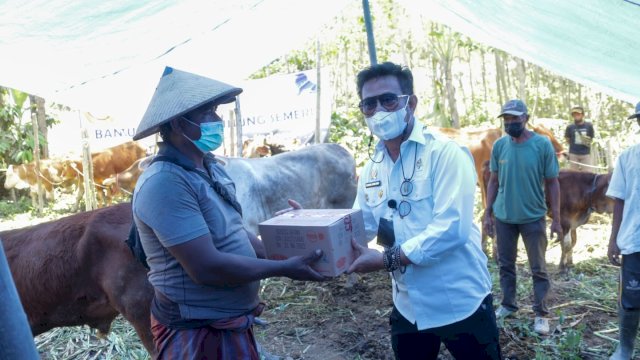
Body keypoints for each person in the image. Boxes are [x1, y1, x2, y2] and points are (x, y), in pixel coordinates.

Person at [131, 66, 326, 359]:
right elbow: (206, 268)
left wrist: (284, 242)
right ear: (176, 124)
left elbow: (234, 231)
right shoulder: (165, 182)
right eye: (206, 114)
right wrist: (284, 268)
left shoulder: (207, 167)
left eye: (216, 112)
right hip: (196, 330)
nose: (217, 120)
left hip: (228, 322)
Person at [347, 62, 501, 359]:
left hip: (459, 300)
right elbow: (361, 225)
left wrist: (386, 259)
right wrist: (319, 228)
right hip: (409, 306)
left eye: (388, 99)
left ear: (410, 103)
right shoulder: (371, 169)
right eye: (369, 104)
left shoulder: (445, 153)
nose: (379, 110)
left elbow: (451, 229)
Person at [482, 99, 562, 336]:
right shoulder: (499, 146)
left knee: (538, 268)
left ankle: (541, 313)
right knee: (505, 265)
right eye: (506, 119)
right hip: (505, 217)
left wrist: (556, 218)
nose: (510, 123)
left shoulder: (542, 145)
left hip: (533, 216)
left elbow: (553, 183)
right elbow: (494, 181)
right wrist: (488, 213)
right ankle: (508, 304)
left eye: (514, 118)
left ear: (526, 118)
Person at [606, 101, 640, 360]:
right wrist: (613, 239)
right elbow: (619, 200)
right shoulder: (628, 157)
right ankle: (625, 348)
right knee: (631, 296)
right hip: (634, 240)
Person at [564, 106, 595, 171]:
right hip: (573, 154)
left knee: (588, 174)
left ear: (582, 115)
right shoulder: (570, 127)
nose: (576, 116)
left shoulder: (589, 126)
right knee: (573, 175)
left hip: (585, 153)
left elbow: (591, 138)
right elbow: (567, 139)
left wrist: (585, 141)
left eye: (578, 114)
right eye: (574, 114)